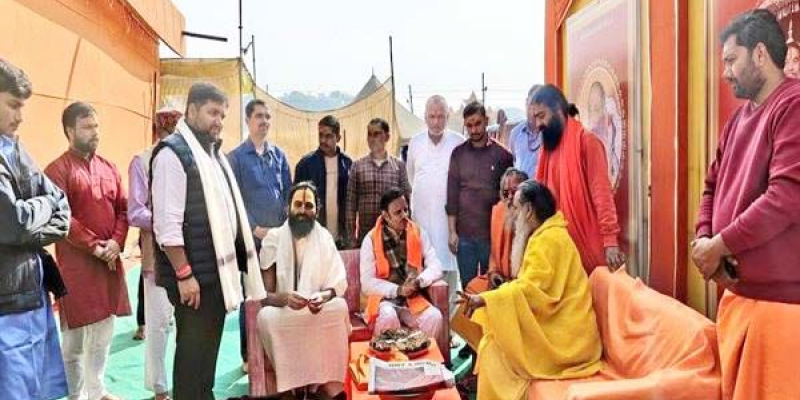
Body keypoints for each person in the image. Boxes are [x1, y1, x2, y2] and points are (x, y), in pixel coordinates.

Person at [693, 10, 800, 399]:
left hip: (780, 308)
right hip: (738, 297)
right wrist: (704, 242)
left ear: (759, 54)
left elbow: (785, 198)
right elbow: (710, 186)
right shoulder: (737, 120)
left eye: (731, 60)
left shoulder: (793, 105)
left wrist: (720, 245)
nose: (725, 73)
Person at [150, 82, 265, 399]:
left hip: (214, 277)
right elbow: (167, 226)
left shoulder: (210, 155)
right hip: (192, 280)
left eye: (223, 115)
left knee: (205, 361)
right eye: (213, 113)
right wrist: (184, 274)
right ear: (191, 110)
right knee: (192, 361)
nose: (218, 121)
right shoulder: (173, 155)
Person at [458, 180, 603, 400]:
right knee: (491, 338)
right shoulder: (549, 234)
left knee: (493, 351)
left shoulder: (547, 241)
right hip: (560, 326)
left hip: (567, 339)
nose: (514, 214)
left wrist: (485, 299)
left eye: (516, 208)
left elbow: (531, 291)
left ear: (528, 210)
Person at [45, 102, 130, 400]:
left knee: (104, 331)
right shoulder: (57, 171)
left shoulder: (109, 167)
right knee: (74, 340)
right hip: (76, 267)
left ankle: (97, 389)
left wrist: (116, 243)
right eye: (87, 127)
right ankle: (76, 395)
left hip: (109, 262)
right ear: (70, 131)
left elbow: (123, 210)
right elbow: (63, 218)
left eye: (96, 126)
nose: (95, 132)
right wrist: (95, 246)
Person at [0, 58, 70, 400]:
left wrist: (31, 219)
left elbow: (63, 209)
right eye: (13, 105)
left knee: (35, 389)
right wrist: (44, 207)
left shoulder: (16, 149)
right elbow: (13, 222)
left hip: (30, 290)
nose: (20, 116)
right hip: (6, 301)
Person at [256, 182, 349, 400]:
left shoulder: (325, 237)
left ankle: (327, 387)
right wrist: (285, 298)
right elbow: (264, 296)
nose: (302, 211)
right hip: (285, 314)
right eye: (298, 205)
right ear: (288, 208)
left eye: (308, 206)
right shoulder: (273, 239)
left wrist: (323, 297)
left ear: (317, 211)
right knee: (266, 317)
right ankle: (290, 390)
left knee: (339, 307)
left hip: (316, 313)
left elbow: (337, 285)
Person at [531, 84, 625, 273]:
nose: (538, 124)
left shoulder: (587, 142)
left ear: (558, 109)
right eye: (536, 118)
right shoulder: (547, 151)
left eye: (542, 116)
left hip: (587, 247)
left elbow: (602, 195)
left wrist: (610, 241)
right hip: (559, 250)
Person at [228, 99, 291, 373]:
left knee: (277, 292)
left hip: (279, 239)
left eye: (267, 117)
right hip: (251, 239)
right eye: (259, 117)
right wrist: (254, 228)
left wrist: (284, 226)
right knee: (252, 297)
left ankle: (276, 350)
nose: (264, 121)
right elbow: (234, 199)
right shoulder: (236, 158)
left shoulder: (279, 155)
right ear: (247, 121)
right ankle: (248, 354)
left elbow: (288, 193)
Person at [127, 106, 181, 400]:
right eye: (167, 127)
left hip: (190, 253)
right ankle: (160, 388)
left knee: (186, 325)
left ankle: (185, 382)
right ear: (158, 129)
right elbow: (136, 212)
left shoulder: (190, 158)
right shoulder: (142, 161)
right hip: (156, 256)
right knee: (158, 324)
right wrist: (167, 221)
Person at [406, 95, 464, 317]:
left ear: (448, 117)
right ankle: (427, 324)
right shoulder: (415, 142)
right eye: (432, 116)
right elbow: (411, 177)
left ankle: (448, 327)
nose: (436, 122)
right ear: (425, 117)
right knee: (423, 271)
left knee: (450, 276)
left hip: (449, 223)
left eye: (441, 116)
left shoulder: (458, 142)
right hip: (422, 222)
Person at [360, 187, 444, 339]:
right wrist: (398, 290)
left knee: (434, 317)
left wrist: (419, 281)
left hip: (412, 299)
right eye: (398, 212)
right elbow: (367, 283)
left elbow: (436, 266)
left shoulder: (418, 232)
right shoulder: (370, 239)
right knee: (388, 316)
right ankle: (391, 355)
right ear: (385, 215)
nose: (404, 215)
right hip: (383, 300)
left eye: (406, 210)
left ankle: (419, 354)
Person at [446, 101, 513, 291]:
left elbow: (509, 197)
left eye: (477, 124)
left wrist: (504, 235)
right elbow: (452, 194)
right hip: (464, 235)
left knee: (492, 288)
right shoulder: (458, 154)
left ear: (486, 120)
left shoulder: (503, 155)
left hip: (492, 235)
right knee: (468, 288)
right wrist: (452, 232)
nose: (474, 130)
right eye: (469, 125)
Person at [345, 118, 412, 248]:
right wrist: (351, 238)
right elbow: (350, 205)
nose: (372, 139)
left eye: (376, 134)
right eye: (369, 134)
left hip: (393, 238)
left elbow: (407, 201)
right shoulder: (357, 166)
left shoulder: (398, 166)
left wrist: (408, 232)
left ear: (387, 137)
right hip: (366, 237)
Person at [294, 115, 353, 248]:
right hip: (313, 238)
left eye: (328, 136)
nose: (323, 140)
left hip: (341, 238)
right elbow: (296, 203)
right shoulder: (305, 165)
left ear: (338, 138)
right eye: (320, 135)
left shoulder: (348, 164)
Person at [586, 81, 622, 185]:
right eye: (592, 98)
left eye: (596, 97)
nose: (594, 102)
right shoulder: (590, 126)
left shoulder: (609, 112)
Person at [508, 86, 543, 177]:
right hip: (521, 186)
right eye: (532, 103)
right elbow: (513, 163)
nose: (534, 110)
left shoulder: (550, 134)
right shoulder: (515, 133)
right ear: (526, 102)